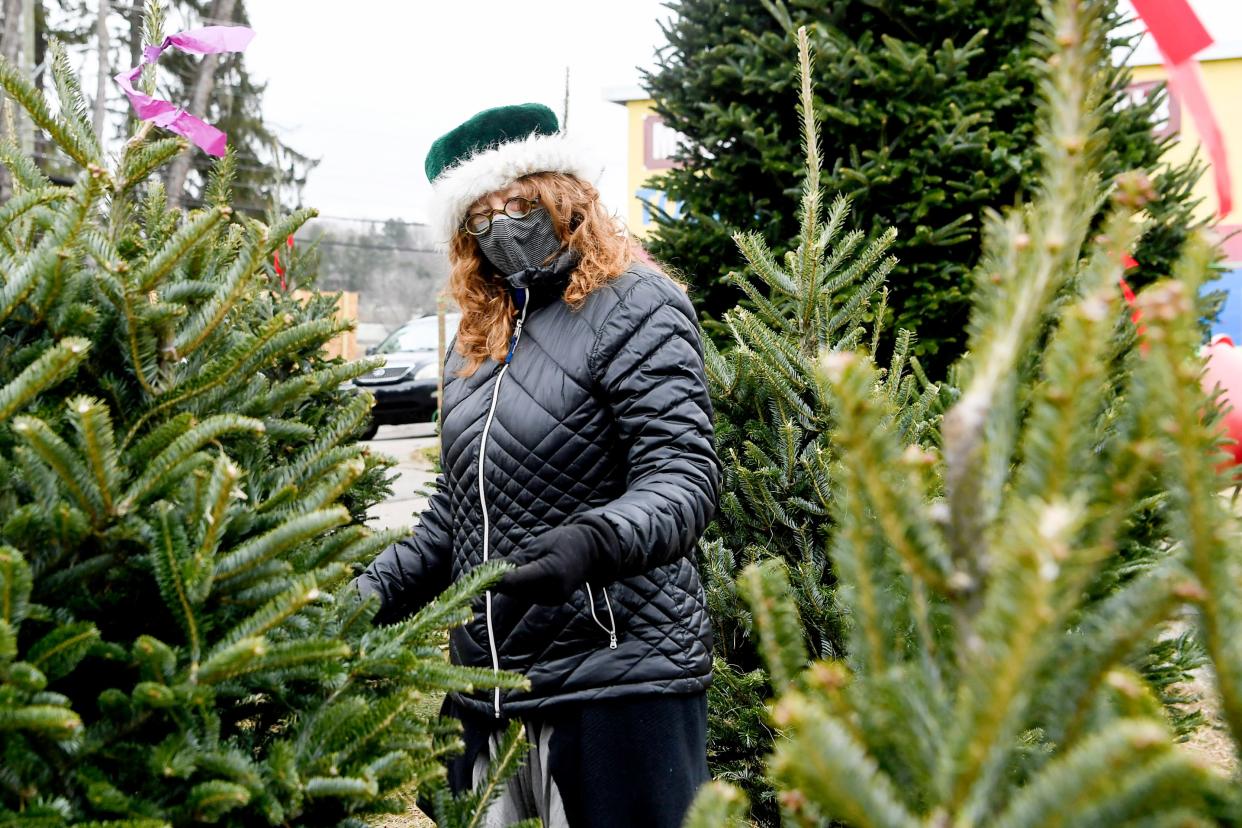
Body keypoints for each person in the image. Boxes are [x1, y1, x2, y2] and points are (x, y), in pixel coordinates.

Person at [354, 102, 721, 828]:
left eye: (520, 202)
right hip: (486, 689)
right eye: (482, 216)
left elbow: (682, 477)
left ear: (565, 196)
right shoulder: (478, 339)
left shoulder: (636, 305)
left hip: (616, 682)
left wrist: (594, 542)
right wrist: (360, 598)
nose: (504, 224)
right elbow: (454, 517)